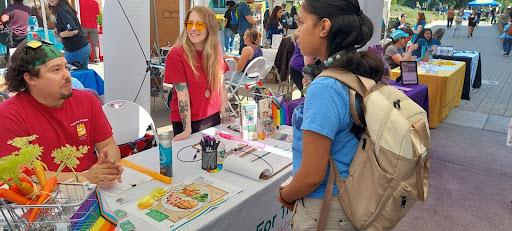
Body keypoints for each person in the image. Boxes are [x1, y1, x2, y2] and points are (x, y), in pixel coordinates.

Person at [278, 0, 385, 229]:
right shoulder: (350, 73)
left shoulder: (325, 86)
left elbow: (311, 175)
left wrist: (286, 194)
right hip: (349, 194)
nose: (297, 32)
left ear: (324, 27)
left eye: (302, 22)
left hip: (325, 206)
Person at [0, 40, 123, 187]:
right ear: (30, 78)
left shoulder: (88, 100)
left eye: (66, 67)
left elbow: (108, 145)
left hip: (94, 190)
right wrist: (84, 177)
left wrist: (109, 166)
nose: (67, 75)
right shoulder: (9, 115)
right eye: (56, 70)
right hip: (43, 199)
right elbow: (18, 175)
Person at [164, 6, 232, 141]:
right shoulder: (176, 54)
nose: (193, 28)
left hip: (212, 116)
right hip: (188, 121)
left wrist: (226, 115)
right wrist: (187, 130)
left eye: (199, 24)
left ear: (209, 27)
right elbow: (182, 95)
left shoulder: (215, 50)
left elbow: (220, 85)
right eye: (190, 23)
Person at [48, 0, 91, 69]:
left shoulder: (62, 10)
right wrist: (59, 31)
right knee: (82, 75)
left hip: (76, 49)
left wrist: (60, 34)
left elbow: (73, 30)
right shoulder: (64, 8)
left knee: (71, 76)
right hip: (82, 47)